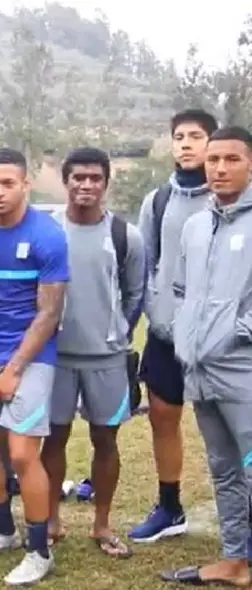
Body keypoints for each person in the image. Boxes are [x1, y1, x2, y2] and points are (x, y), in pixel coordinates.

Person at [0, 147, 68, 586]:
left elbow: (50, 313)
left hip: (32, 357)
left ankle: (39, 551)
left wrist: (15, 368)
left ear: (26, 185)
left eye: (9, 184)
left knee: (22, 453)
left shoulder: (47, 236)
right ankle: (2, 530)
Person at [40, 147, 144, 558]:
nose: (86, 185)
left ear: (105, 183)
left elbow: (136, 292)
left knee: (106, 439)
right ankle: (50, 520)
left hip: (106, 357)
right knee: (53, 438)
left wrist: (116, 331)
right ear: (65, 182)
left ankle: (102, 525)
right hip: (56, 356)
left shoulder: (124, 234)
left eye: (94, 178)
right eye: (78, 177)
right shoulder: (47, 230)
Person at [160, 126, 252, 586]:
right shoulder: (197, 225)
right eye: (213, 159)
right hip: (198, 369)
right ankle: (235, 560)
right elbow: (180, 290)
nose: (219, 168)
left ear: (249, 163)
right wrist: (184, 336)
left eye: (231, 159)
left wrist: (236, 333)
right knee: (223, 468)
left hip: (244, 370)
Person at [132, 108, 219, 543]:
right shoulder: (157, 200)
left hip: (220, 341)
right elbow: (146, 263)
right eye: (179, 136)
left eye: (196, 136)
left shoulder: (231, 196)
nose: (186, 144)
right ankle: (170, 507)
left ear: (213, 144)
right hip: (166, 336)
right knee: (163, 418)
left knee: (229, 425)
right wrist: (156, 311)